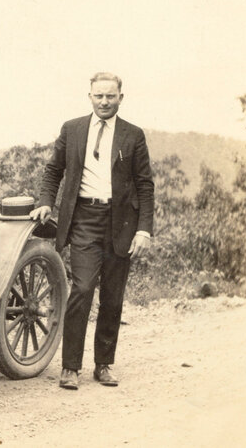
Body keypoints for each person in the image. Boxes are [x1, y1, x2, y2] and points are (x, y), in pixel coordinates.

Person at [30, 72, 154, 390]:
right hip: (84, 218)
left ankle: (103, 365)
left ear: (120, 98)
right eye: (98, 96)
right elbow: (53, 170)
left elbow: (145, 185)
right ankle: (70, 367)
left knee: (112, 297)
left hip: (121, 222)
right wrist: (46, 202)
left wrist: (144, 231)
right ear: (90, 96)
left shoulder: (133, 135)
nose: (104, 101)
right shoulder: (72, 129)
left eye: (110, 96)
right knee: (82, 290)